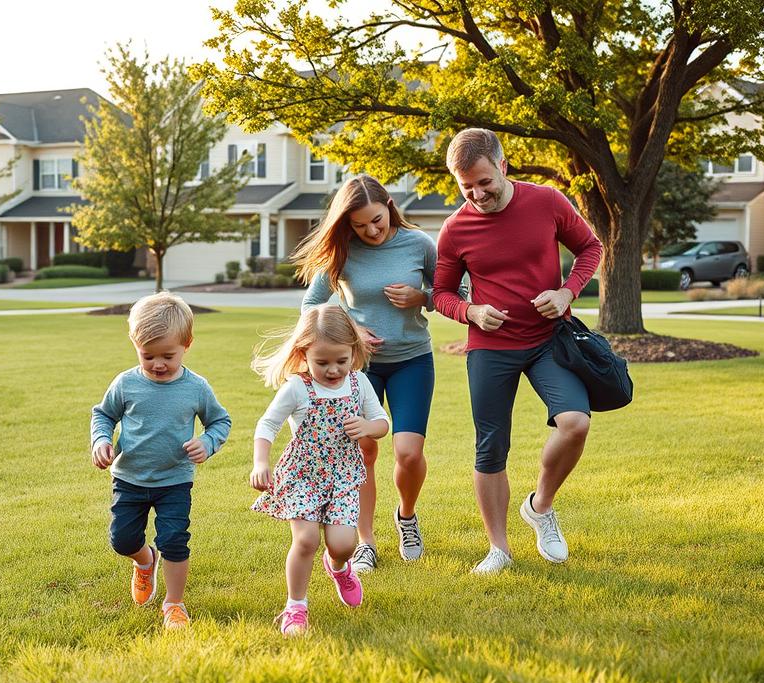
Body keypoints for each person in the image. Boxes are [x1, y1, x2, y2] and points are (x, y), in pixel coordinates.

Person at [432, 128, 603, 573]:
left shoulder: (546, 201)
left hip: (549, 340)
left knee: (575, 423)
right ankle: (499, 550)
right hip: (490, 347)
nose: (476, 194)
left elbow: (590, 247)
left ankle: (540, 506)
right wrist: (471, 312)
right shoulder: (455, 229)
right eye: (465, 186)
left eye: (484, 182)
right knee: (490, 448)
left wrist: (567, 292)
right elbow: (442, 293)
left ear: (504, 167)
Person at [297, 174, 441, 573]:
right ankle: (365, 542)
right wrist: (350, 326)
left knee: (409, 453)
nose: (371, 230)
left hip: (412, 361)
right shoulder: (343, 252)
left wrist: (421, 297)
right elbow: (311, 306)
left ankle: (406, 517)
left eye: (376, 220)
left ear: (389, 206)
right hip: (361, 368)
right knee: (363, 452)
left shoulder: (419, 244)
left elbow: (454, 294)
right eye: (359, 225)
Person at [90, 293, 232, 629]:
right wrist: (100, 440)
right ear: (134, 344)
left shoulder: (196, 387)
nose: (157, 364)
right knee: (122, 540)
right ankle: (144, 562)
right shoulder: (126, 383)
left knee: (173, 540)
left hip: (174, 480)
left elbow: (220, 421)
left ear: (187, 344)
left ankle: (174, 603)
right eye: (147, 355)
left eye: (168, 355)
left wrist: (207, 442)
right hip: (129, 478)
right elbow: (103, 415)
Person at [249, 304, 391, 636]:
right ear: (304, 354)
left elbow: (383, 423)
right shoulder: (298, 387)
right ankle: (295, 607)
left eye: (341, 361)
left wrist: (368, 426)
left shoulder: (359, 384)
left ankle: (339, 568)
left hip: (342, 476)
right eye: (322, 362)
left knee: (343, 545)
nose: (332, 370)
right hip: (303, 476)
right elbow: (267, 424)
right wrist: (260, 462)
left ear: (353, 351)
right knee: (307, 540)